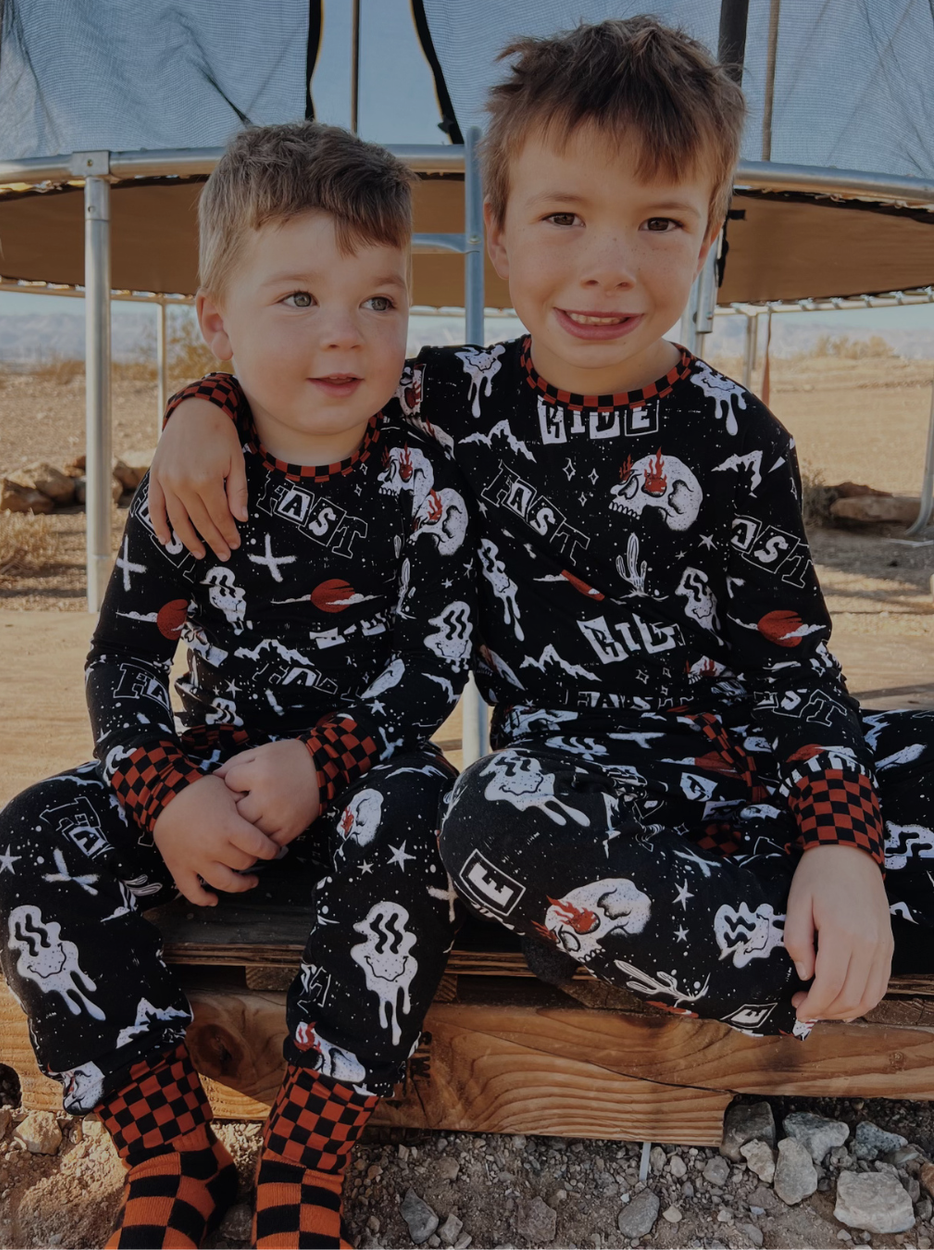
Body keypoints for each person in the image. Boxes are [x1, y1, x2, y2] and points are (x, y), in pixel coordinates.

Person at [145, 19, 934, 1046]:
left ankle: (695, 928)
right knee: (482, 823)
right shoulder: (440, 402)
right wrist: (201, 403)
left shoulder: (739, 437)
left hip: (751, 772)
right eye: (564, 216)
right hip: (574, 792)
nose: (608, 267)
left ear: (706, 238)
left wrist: (841, 847)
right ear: (500, 232)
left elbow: (792, 667)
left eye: (659, 223)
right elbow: (297, 378)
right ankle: (788, 947)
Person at [0, 122, 475, 1250]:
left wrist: (324, 762)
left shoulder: (424, 474)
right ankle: (169, 1146)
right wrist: (164, 794)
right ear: (217, 321)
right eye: (296, 297)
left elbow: (433, 659)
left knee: (429, 819)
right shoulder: (195, 475)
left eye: (380, 300)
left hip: (364, 778)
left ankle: (309, 1147)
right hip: (210, 782)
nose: (344, 332)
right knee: (26, 842)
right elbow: (122, 658)